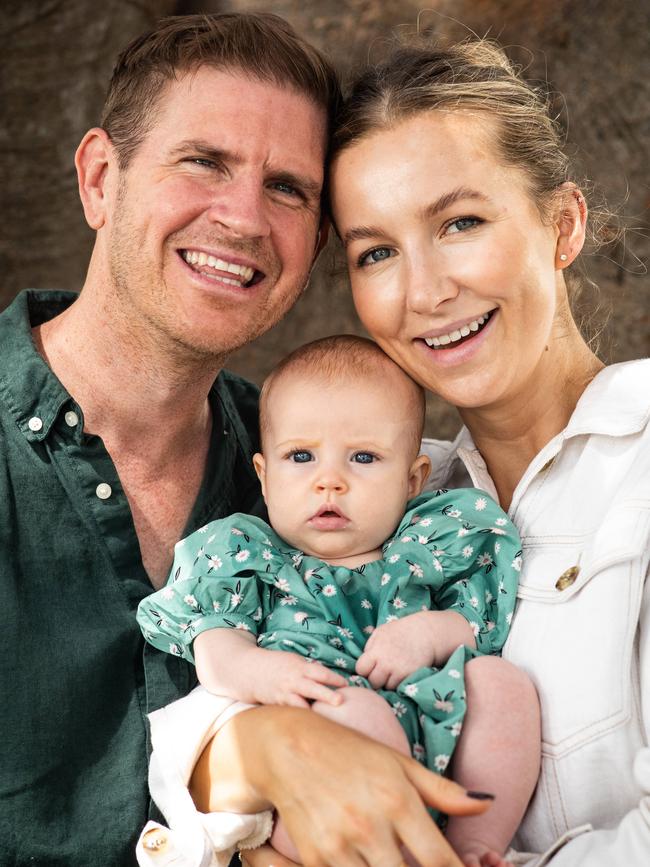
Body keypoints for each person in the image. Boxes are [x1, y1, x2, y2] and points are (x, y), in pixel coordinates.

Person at [142, 34, 650, 867]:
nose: (424, 290)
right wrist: (262, 752)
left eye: (460, 222)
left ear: (564, 225)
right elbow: (190, 743)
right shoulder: (398, 497)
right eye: (376, 251)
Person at [0, 13, 345, 865]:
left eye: (289, 189)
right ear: (100, 179)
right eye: (204, 162)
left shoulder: (319, 478)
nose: (244, 218)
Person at [137, 335, 539, 867]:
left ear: (413, 479)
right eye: (301, 456)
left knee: (503, 684)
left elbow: (479, 624)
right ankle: (396, 852)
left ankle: (473, 847)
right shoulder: (246, 554)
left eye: (364, 457)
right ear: (264, 474)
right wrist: (261, 672)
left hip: (433, 721)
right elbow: (215, 647)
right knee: (355, 709)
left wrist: (429, 633)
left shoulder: (427, 544)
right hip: (315, 764)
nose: (330, 481)